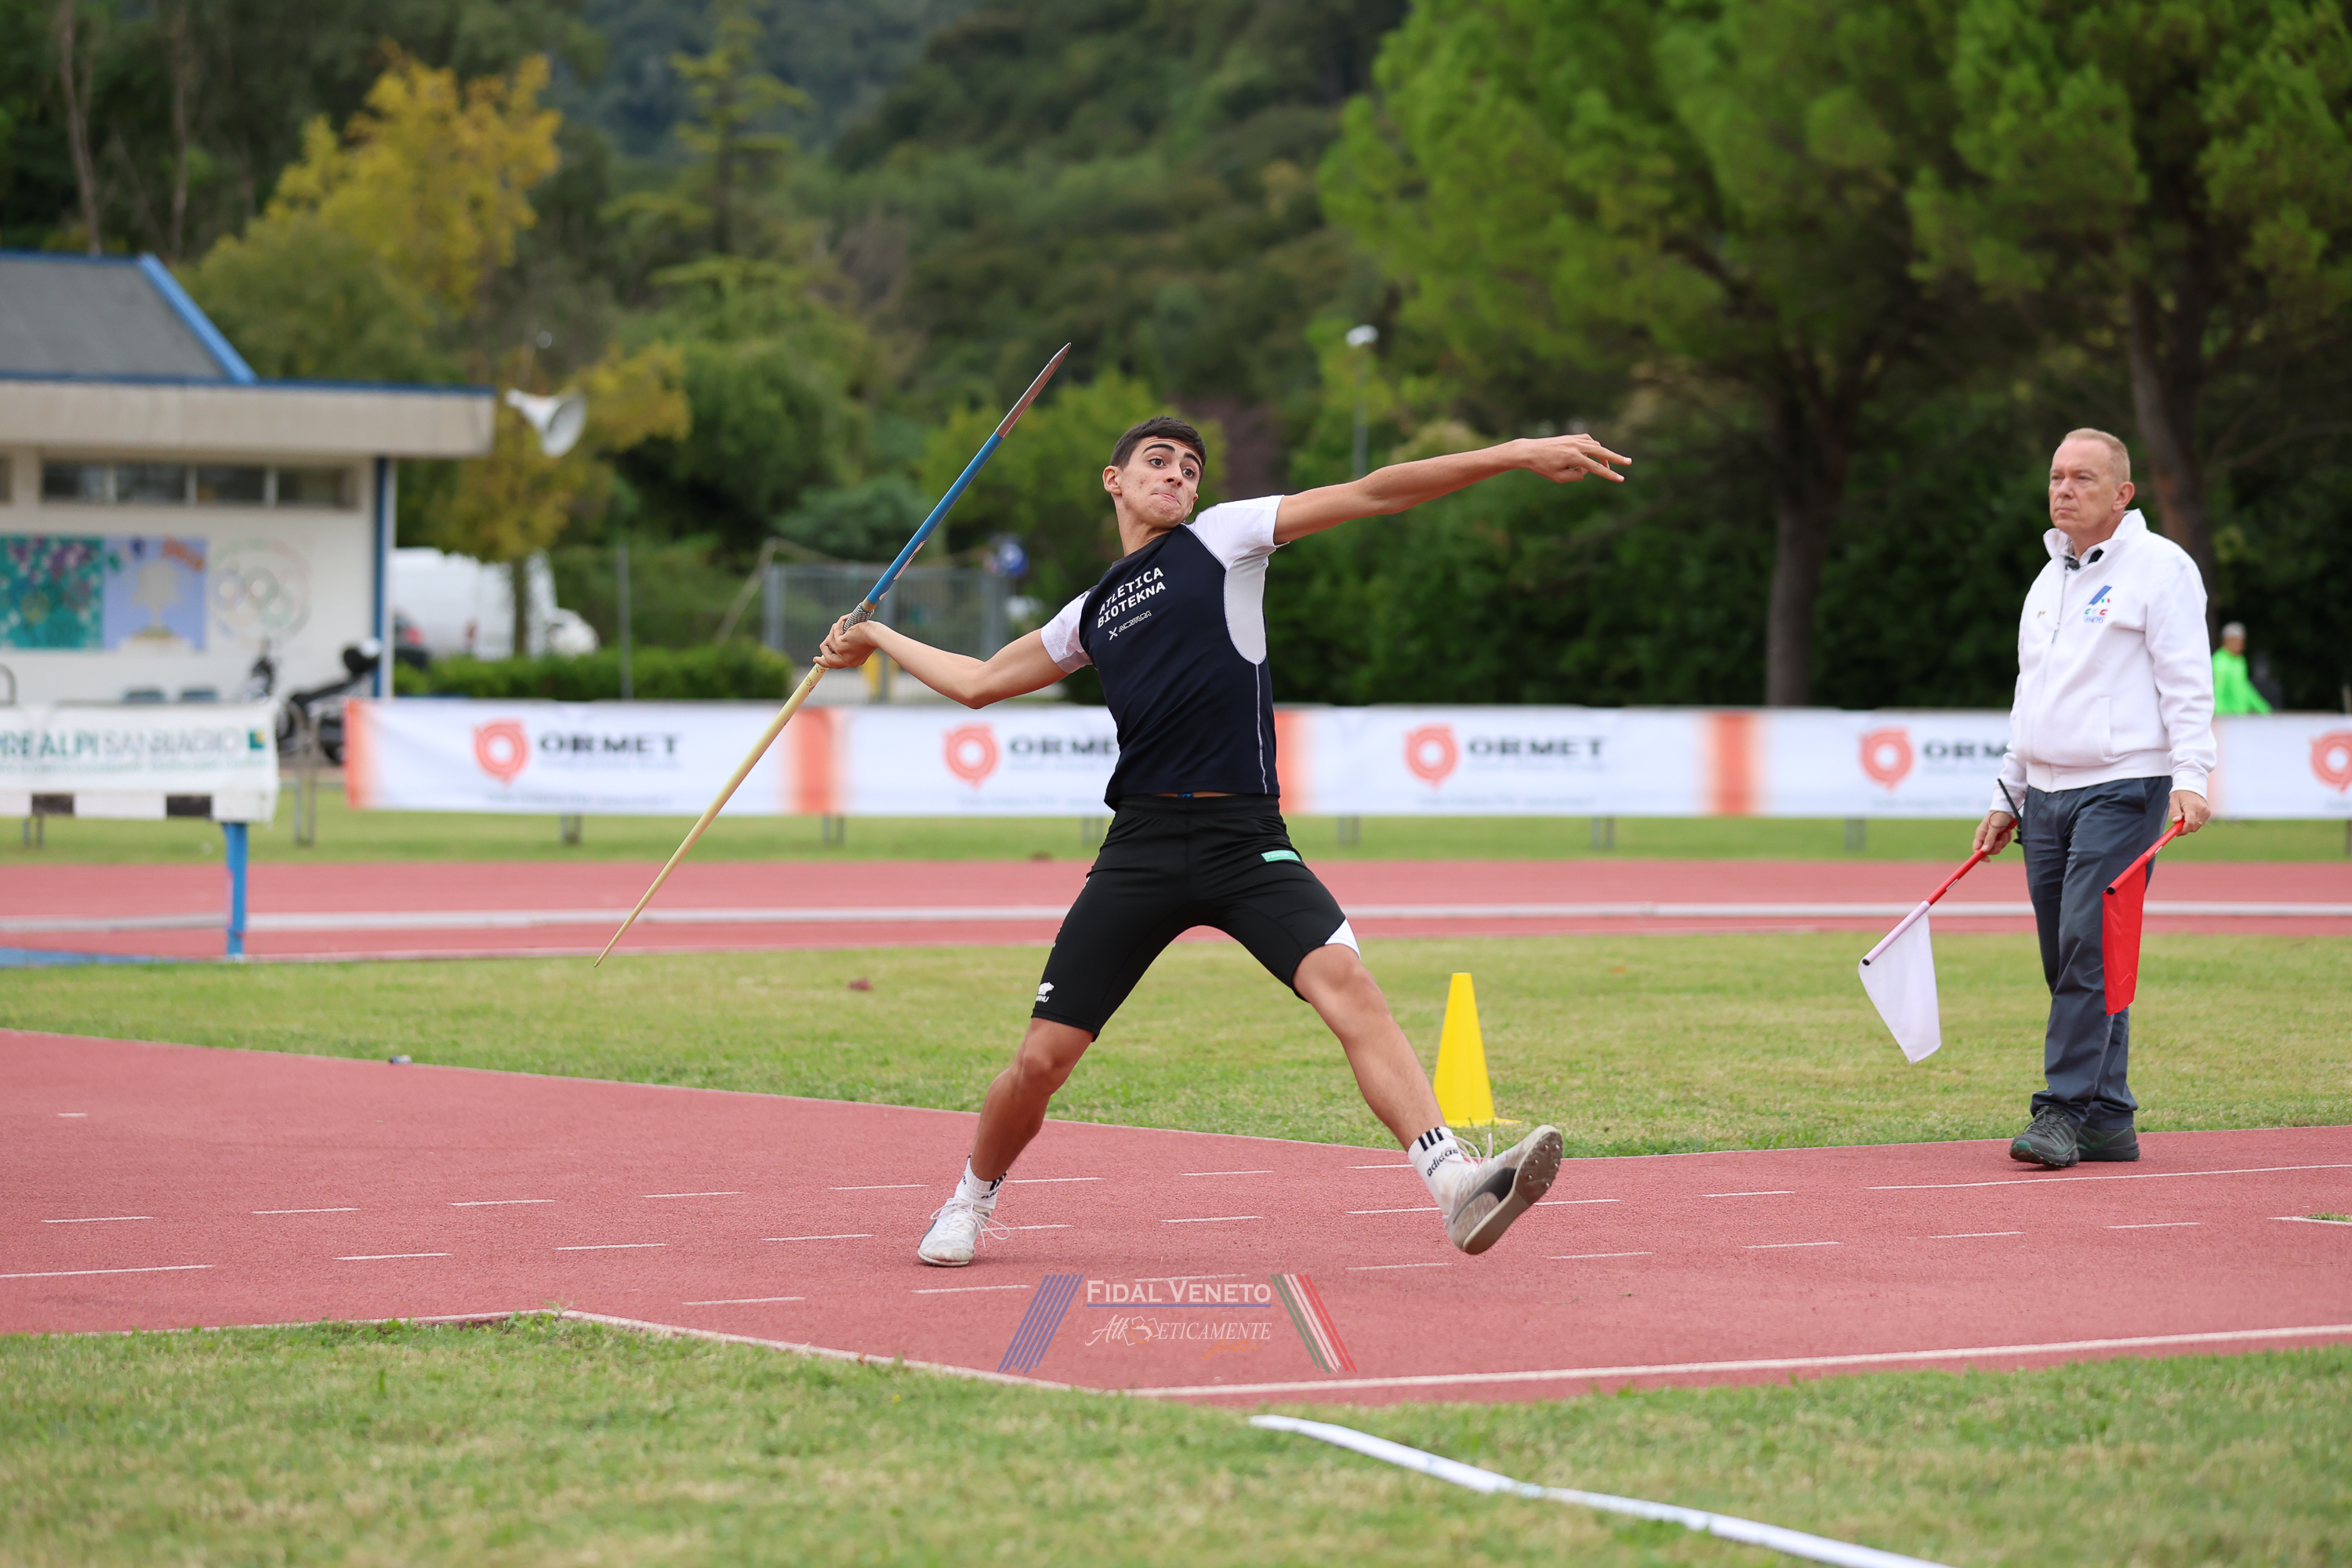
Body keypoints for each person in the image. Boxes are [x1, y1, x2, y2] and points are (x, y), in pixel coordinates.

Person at [818, 416, 1632, 1265]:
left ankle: (1454, 1180)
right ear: (1114, 480)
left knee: (1347, 983)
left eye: (1190, 467)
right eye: (1158, 461)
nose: (1177, 475)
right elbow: (981, 681)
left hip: (1245, 837)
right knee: (1041, 1061)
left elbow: (1373, 493)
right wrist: (875, 636)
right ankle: (970, 1199)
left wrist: (1513, 453)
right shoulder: (1087, 613)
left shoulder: (1223, 538)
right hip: (1140, 845)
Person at [1973, 429, 2215, 1169]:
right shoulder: (2047, 580)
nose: (2064, 489)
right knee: (2070, 956)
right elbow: (2029, 696)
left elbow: (2187, 679)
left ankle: (2062, 1111)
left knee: (2087, 947)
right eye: (2056, 476)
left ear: (2122, 493)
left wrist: (2192, 775)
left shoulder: (2162, 567)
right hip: (2044, 795)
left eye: (2082, 477)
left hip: (2124, 787)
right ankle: (2109, 1117)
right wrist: (2008, 793)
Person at [2212, 622, 2272, 715]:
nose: (2239, 643)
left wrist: (2263, 709)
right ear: (2225, 641)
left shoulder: (2240, 660)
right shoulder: (2220, 662)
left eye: (2241, 640)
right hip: (2227, 717)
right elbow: (2217, 691)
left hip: (2241, 715)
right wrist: (2219, 715)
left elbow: (2245, 687)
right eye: (2235, 640)